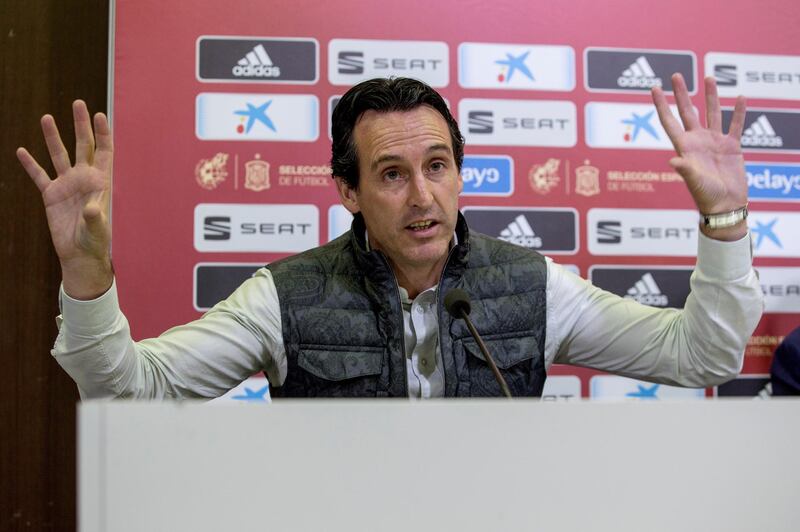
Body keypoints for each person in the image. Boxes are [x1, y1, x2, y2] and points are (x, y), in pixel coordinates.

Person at [16, 74, 763, 399]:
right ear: (347, 189)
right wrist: (86, 271)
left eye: (438, 166)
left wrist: (725, 220)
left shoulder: (531, 287)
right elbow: (129, 388)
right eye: (393, 174)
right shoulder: (285, 298)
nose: (423, 196)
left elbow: (703, 354)